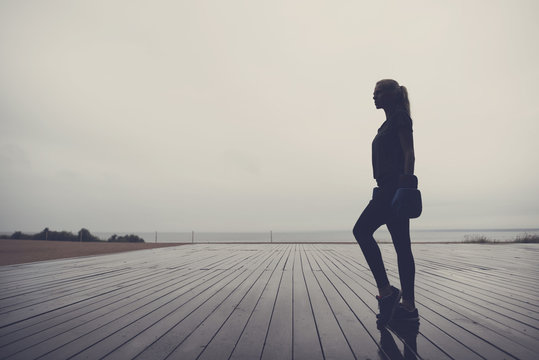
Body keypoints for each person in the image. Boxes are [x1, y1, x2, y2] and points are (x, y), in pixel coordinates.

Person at [353, 79, 419, 328]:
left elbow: (409, 153)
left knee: (361, 230)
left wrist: (404, 188)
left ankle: (388, 292)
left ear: (393, 94)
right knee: (402, 247)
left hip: (393, 190)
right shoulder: (386, 124)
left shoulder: (401, 118)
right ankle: (408, 307)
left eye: (379, 92)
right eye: (374, 93)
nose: (374, 96)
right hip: (386, 188)